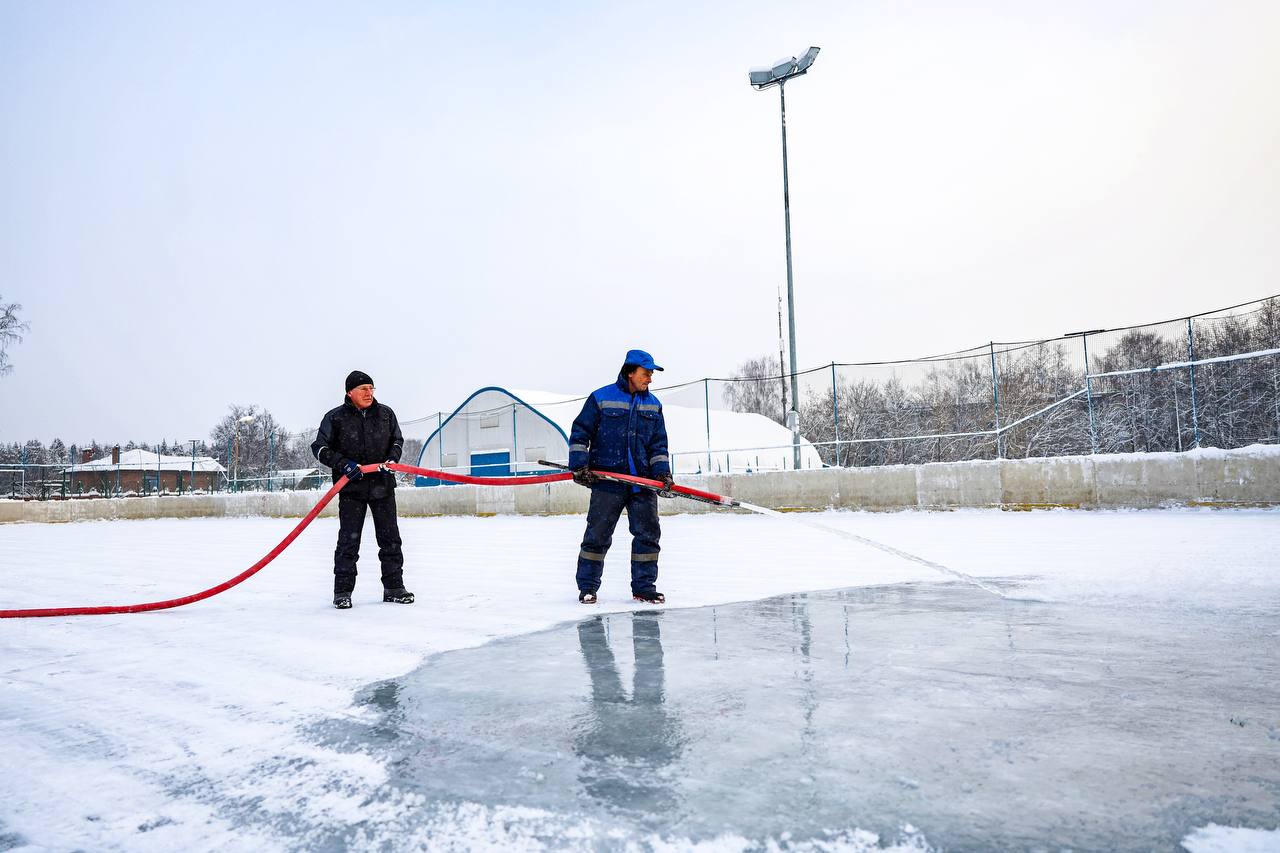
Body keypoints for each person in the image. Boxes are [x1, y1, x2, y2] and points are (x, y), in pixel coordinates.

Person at [569, 349, 673, 605]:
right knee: (597, 535)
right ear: (630, 371)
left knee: (648, 535)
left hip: (642, 483)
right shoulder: (601, 398)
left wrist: (662, 474)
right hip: (607, 482)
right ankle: (588, 587)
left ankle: (644, 588)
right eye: (646, 373)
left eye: (651, 374)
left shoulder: (653, 405)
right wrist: (580, 465)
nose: (650, 379)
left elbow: (658, 445)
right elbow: (581, 433)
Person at [311, 370, 413, 609]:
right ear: (350, 392)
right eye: (363, 389)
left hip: (382, 485)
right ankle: (342, 591)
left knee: (390, 539)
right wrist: (343, 463)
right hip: (351, 489)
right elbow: (319, 447)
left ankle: (394, 587)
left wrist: (391, 459)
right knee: (348, 541)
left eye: (371, 388)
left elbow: (397, 440)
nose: (369, 393)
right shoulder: (335, 418)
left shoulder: (386, 414)